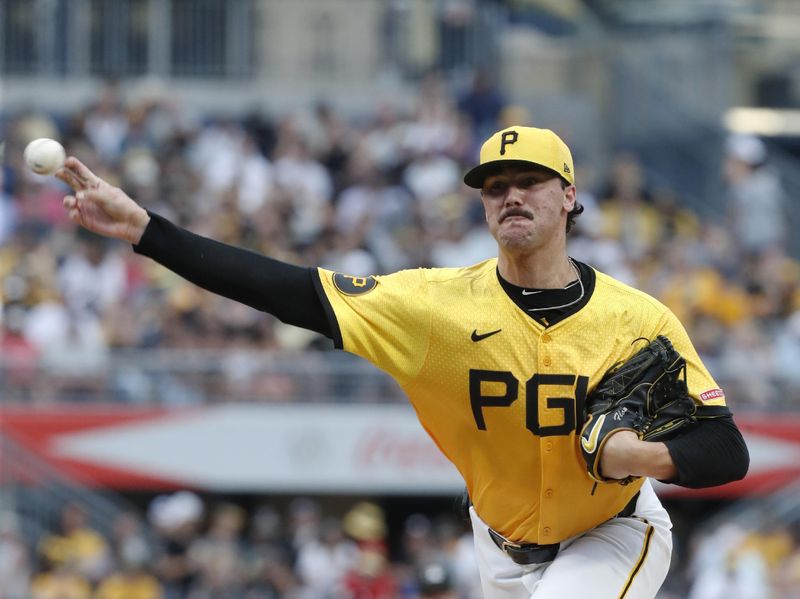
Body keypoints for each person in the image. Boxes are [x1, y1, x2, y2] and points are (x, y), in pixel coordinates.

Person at [57, 125, 750, 599]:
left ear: (569, 196)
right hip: (497, 544)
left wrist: (640, 455)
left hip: (614, 527)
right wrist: (149, 232)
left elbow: (726, 448)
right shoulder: (433, 307)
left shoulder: (637, 321)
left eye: (531, 181)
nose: (510, 195)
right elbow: (288, 290)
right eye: (494, 185)